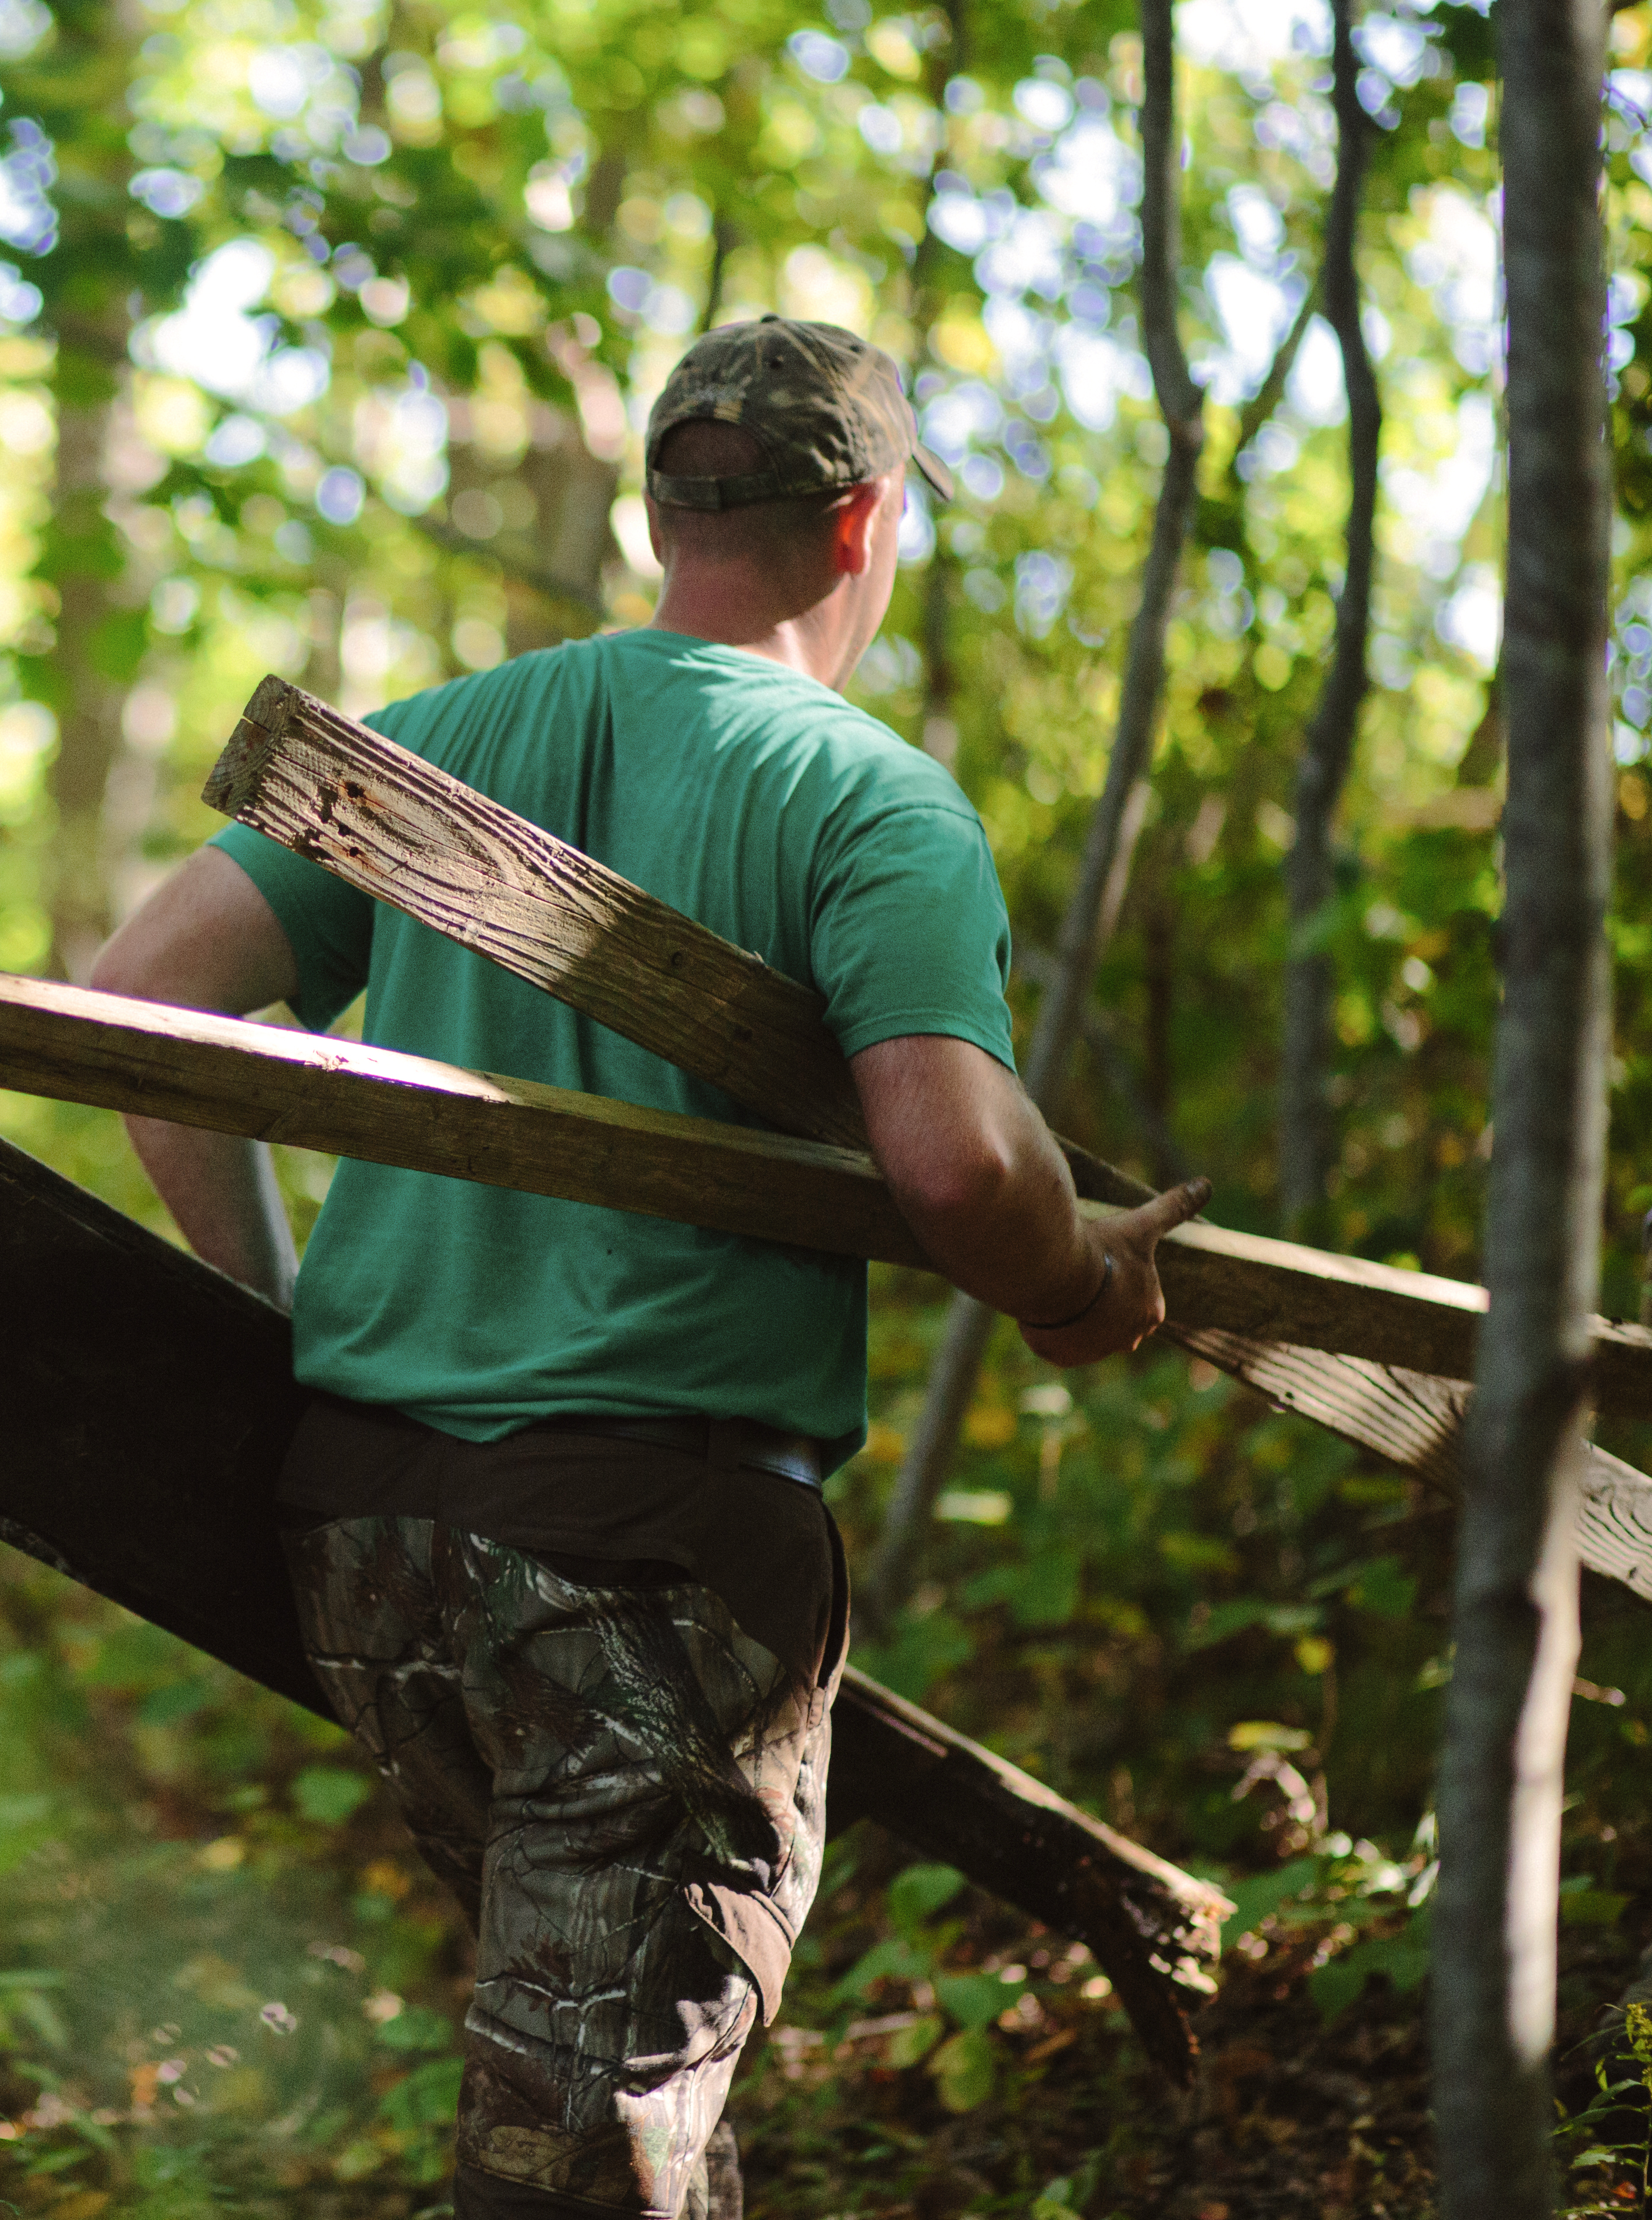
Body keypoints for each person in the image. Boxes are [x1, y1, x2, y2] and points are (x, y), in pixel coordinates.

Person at [88, 315, 1210, 2220]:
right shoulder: (868, 800)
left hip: (372, 1544)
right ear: (861, 527)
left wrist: (285, 1317)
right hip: (642, 1553)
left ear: (659, 510)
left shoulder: (442, 741)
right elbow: (954, 1159)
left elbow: (140, 998)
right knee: (596, 2134)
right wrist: (1076, 1283)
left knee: (623, 2082)